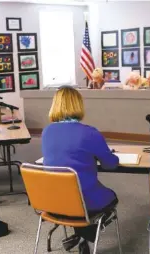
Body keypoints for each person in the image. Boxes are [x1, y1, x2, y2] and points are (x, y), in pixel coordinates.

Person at [41, 86, 119, 253]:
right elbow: (110, 164)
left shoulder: (47, 132)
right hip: (84, 202)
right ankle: (86, 235)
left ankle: (81, 235)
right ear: (78, 105)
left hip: (53, 201)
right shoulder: (89, 133)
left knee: (75, 195)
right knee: (111, 198)